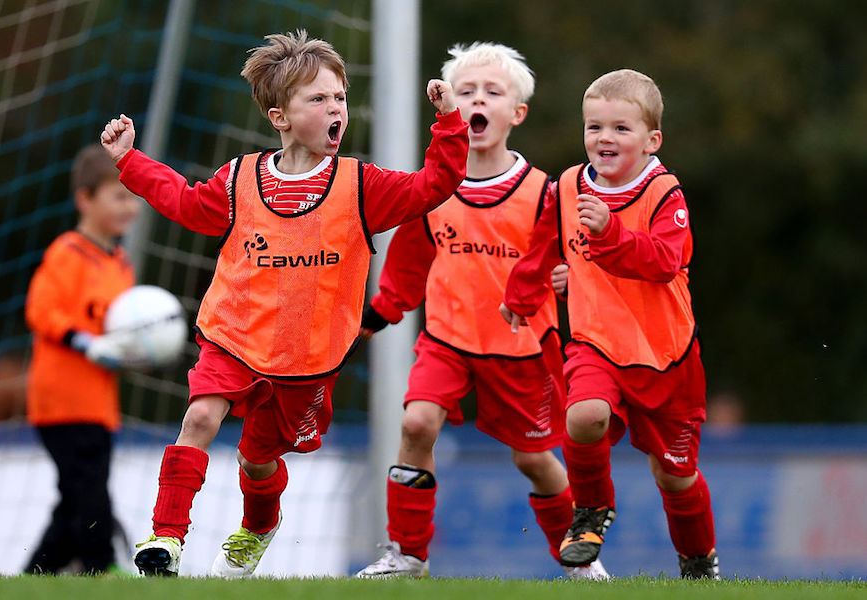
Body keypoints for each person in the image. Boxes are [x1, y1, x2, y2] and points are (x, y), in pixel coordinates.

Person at [99, 30, 468, 578]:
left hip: (306, 360)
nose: (335, 107)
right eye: (318, 98)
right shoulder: (240, 179)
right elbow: (186, 203)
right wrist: (130, 161)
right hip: (232, 335)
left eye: (340, 97)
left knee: (257, 458)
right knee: (199, 416)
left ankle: (258, 526)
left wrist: (449, 123)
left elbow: (434, 185)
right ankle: (165, 539)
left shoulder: (361, 186)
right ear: (280, 117)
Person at [355, 42, 606, 581]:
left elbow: (571, 260)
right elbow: (411, 259)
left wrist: (568, 283)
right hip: (446, 338)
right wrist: (381, 310)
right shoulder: (434, 188)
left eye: (493, 92)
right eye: (466, 91)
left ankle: (581, 558)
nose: (478, 100)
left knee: (532, 459)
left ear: (517, 112)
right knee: (416, 423)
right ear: (451, 107)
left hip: (521, 347)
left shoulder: (545, 192)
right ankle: (408, 555)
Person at [500, 69, 719, 579]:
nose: (605, 138)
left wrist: (610, 234)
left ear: (651, 140)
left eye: (621, 128)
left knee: (675, 475)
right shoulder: (568, 186)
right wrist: (522, 294)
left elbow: (664, 262)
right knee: (583, 416)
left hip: (667, 357)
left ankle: (698, 562)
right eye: (594, 126)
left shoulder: (664, 193)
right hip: (595, 343)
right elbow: (545, 245)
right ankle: (591, 511)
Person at [24, 144, 141, 575]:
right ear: (85, 199)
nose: (129, 207)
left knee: (75, 499)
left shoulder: (122, 264)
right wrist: (83, 342)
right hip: (61, 401)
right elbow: (40, 311)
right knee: (89, 490)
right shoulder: (67, 253)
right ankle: (101, 567)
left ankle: (34, 577)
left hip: (99, 403)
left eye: (133, 198)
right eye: (118, 196)